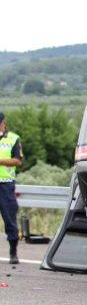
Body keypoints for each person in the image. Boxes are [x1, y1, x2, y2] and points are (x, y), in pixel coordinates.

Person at [0, 112, 23, 264]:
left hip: (5, 184)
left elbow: (17, 161)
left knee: (9, 218)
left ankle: (13, 252)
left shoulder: (13, 138)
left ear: (3, 122)